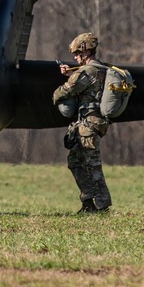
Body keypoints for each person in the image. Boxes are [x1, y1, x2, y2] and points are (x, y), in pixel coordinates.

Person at [53, 32, 112, 213]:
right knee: (75, 162)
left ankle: (102, 207)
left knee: (92, 165)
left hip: (89, 124)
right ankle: (88, 202)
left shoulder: (86, 72)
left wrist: (56, 93)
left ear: (86, 52)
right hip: (90, 123)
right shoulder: (102, 68)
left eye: (78, 54)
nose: (75, 57)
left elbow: (66, 91)